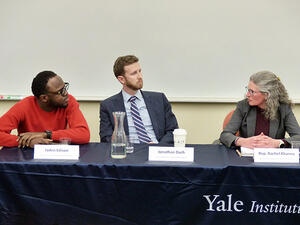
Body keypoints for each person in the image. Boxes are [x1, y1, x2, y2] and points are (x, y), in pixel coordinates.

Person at [100, 55, 178, 144]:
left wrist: (158, 147)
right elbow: (106, 138)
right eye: (134, 73)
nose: (140, 76)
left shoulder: (159, 99)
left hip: (157, 151)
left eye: (140, 71)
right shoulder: (108, 106)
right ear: (122, 79)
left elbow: (173, 131)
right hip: (129, 153)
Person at [0, 71, 90, 148]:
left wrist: (47, 134)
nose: (66, 93)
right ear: (44, 98)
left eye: (65, 87)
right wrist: (27, 142)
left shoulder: (68, 101)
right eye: (60, 91)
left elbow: (84, 134)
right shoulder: (24, 106)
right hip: (28, 160)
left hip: (59, 155)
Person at [220, 70, 300, 149]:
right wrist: (243, 141)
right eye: (248, 90)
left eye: (252, 92)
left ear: (267, 95)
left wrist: (277, 143)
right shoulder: (243, 106)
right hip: (246, 157)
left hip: (272, 157)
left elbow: (298, 137)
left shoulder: (283, 108)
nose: (247, 95)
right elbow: (225, 135)